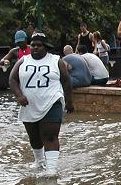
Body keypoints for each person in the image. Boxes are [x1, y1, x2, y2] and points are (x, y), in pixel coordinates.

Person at [9, 32, 74, 176]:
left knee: (50, 136)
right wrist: (19, 95)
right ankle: (39, 162)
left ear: (46, 47)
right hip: (29, 105)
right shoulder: (23, 61)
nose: (35, 48)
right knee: (34, 137)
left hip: (52, 102)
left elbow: (66, 81)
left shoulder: (56, 60)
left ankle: (51, 170)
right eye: (33, 45)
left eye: (39, 45)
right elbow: (12, 79)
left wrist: (69, 102)